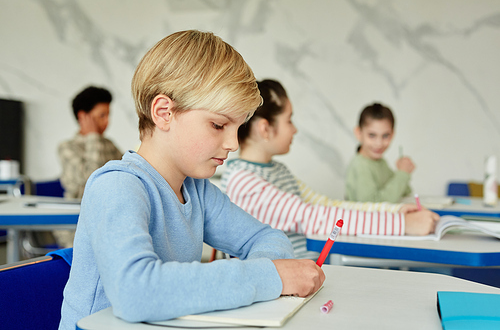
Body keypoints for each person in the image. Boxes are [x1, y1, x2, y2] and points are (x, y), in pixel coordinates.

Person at [58, 31, 324, 330]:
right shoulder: (117, 186)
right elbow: (136, 292)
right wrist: (269, 277)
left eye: (238, 127)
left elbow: (267, 239)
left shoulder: (197, 192)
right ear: (164, 113)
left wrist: (263, 274)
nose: (233, 143)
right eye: (218, 124)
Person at [220, 79, 438, 259]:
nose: (295, 130)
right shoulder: (244, 181)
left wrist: (394, 211)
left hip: (306, 275)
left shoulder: (278, 170)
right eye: (289, 120)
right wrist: (402, 224)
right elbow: (314, 217)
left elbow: (327, 205)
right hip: (285, 286)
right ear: (265, 129)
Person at [56, 86, 122, 248]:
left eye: (108, 115)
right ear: (83, 117)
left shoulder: (109, 145)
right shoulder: (67, 147)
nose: (107, 121)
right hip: (76, 226)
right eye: (101, 115)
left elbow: (124, 174)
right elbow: (91, 178)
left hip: (107, 220)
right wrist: (93, 136)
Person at [345, 103, 414, 203]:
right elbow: (372, 204)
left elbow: (405, 192)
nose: (379, 143)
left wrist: (402, 171)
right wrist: (402, 174)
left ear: (392, 134)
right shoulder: (361, 165)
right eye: (372, 135)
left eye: (385, 136)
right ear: (358, 133)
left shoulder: (380, 162)